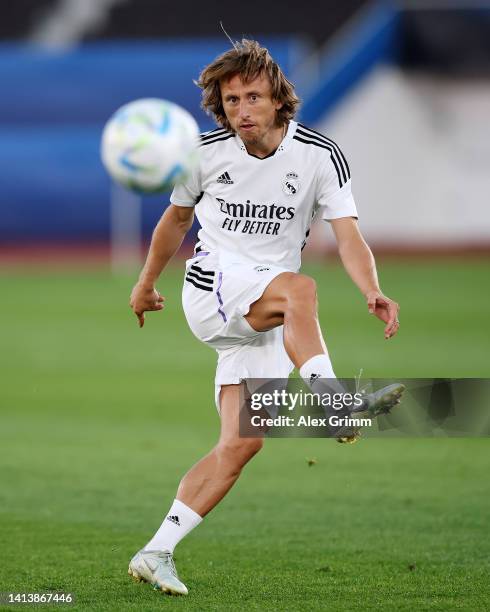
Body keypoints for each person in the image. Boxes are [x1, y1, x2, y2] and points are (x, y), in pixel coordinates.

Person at [127, 39, 402, 596]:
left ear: (279, 99)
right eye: (231, 101)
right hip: (214, 289)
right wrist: (145, 283)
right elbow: (175, 224)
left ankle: (156, 552)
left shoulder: (320, 156)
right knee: (301, 288)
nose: (242, 110)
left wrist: (372, 288)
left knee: (243, 442)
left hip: (264, 313)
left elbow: (348, 235)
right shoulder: (204, 154)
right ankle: (336, 402)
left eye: (253, 97)